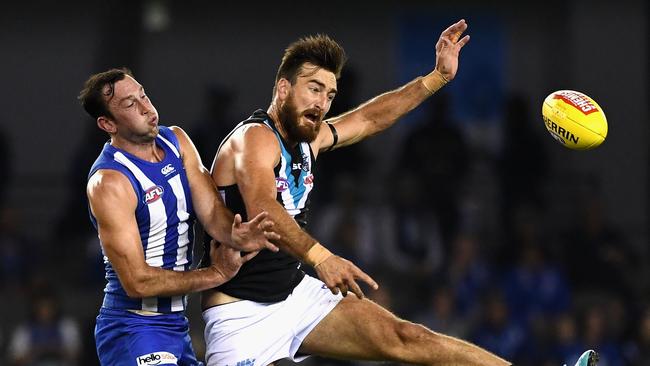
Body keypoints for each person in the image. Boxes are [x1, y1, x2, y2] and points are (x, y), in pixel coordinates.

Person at [200, 19, 598, 366]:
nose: (322, 103)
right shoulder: (254, 138)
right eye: (313, 89)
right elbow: (263, 208)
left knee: (408, 338)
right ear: (283, 89)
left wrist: (437, 78)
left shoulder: (311, 138)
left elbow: (371, 116)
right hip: (241, 313)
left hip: (294, 295)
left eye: (330, 95)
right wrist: (321, 258)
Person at [79, 68, 280, 365]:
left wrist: (237, 234)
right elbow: (137, 282)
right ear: (107, 123)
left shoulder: (177, 141)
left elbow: (211, 211)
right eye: (131, 104)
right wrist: (215, 274)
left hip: (175, 326)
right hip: (132, 327)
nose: (146, 107)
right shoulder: (110, 182)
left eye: (143, 95)